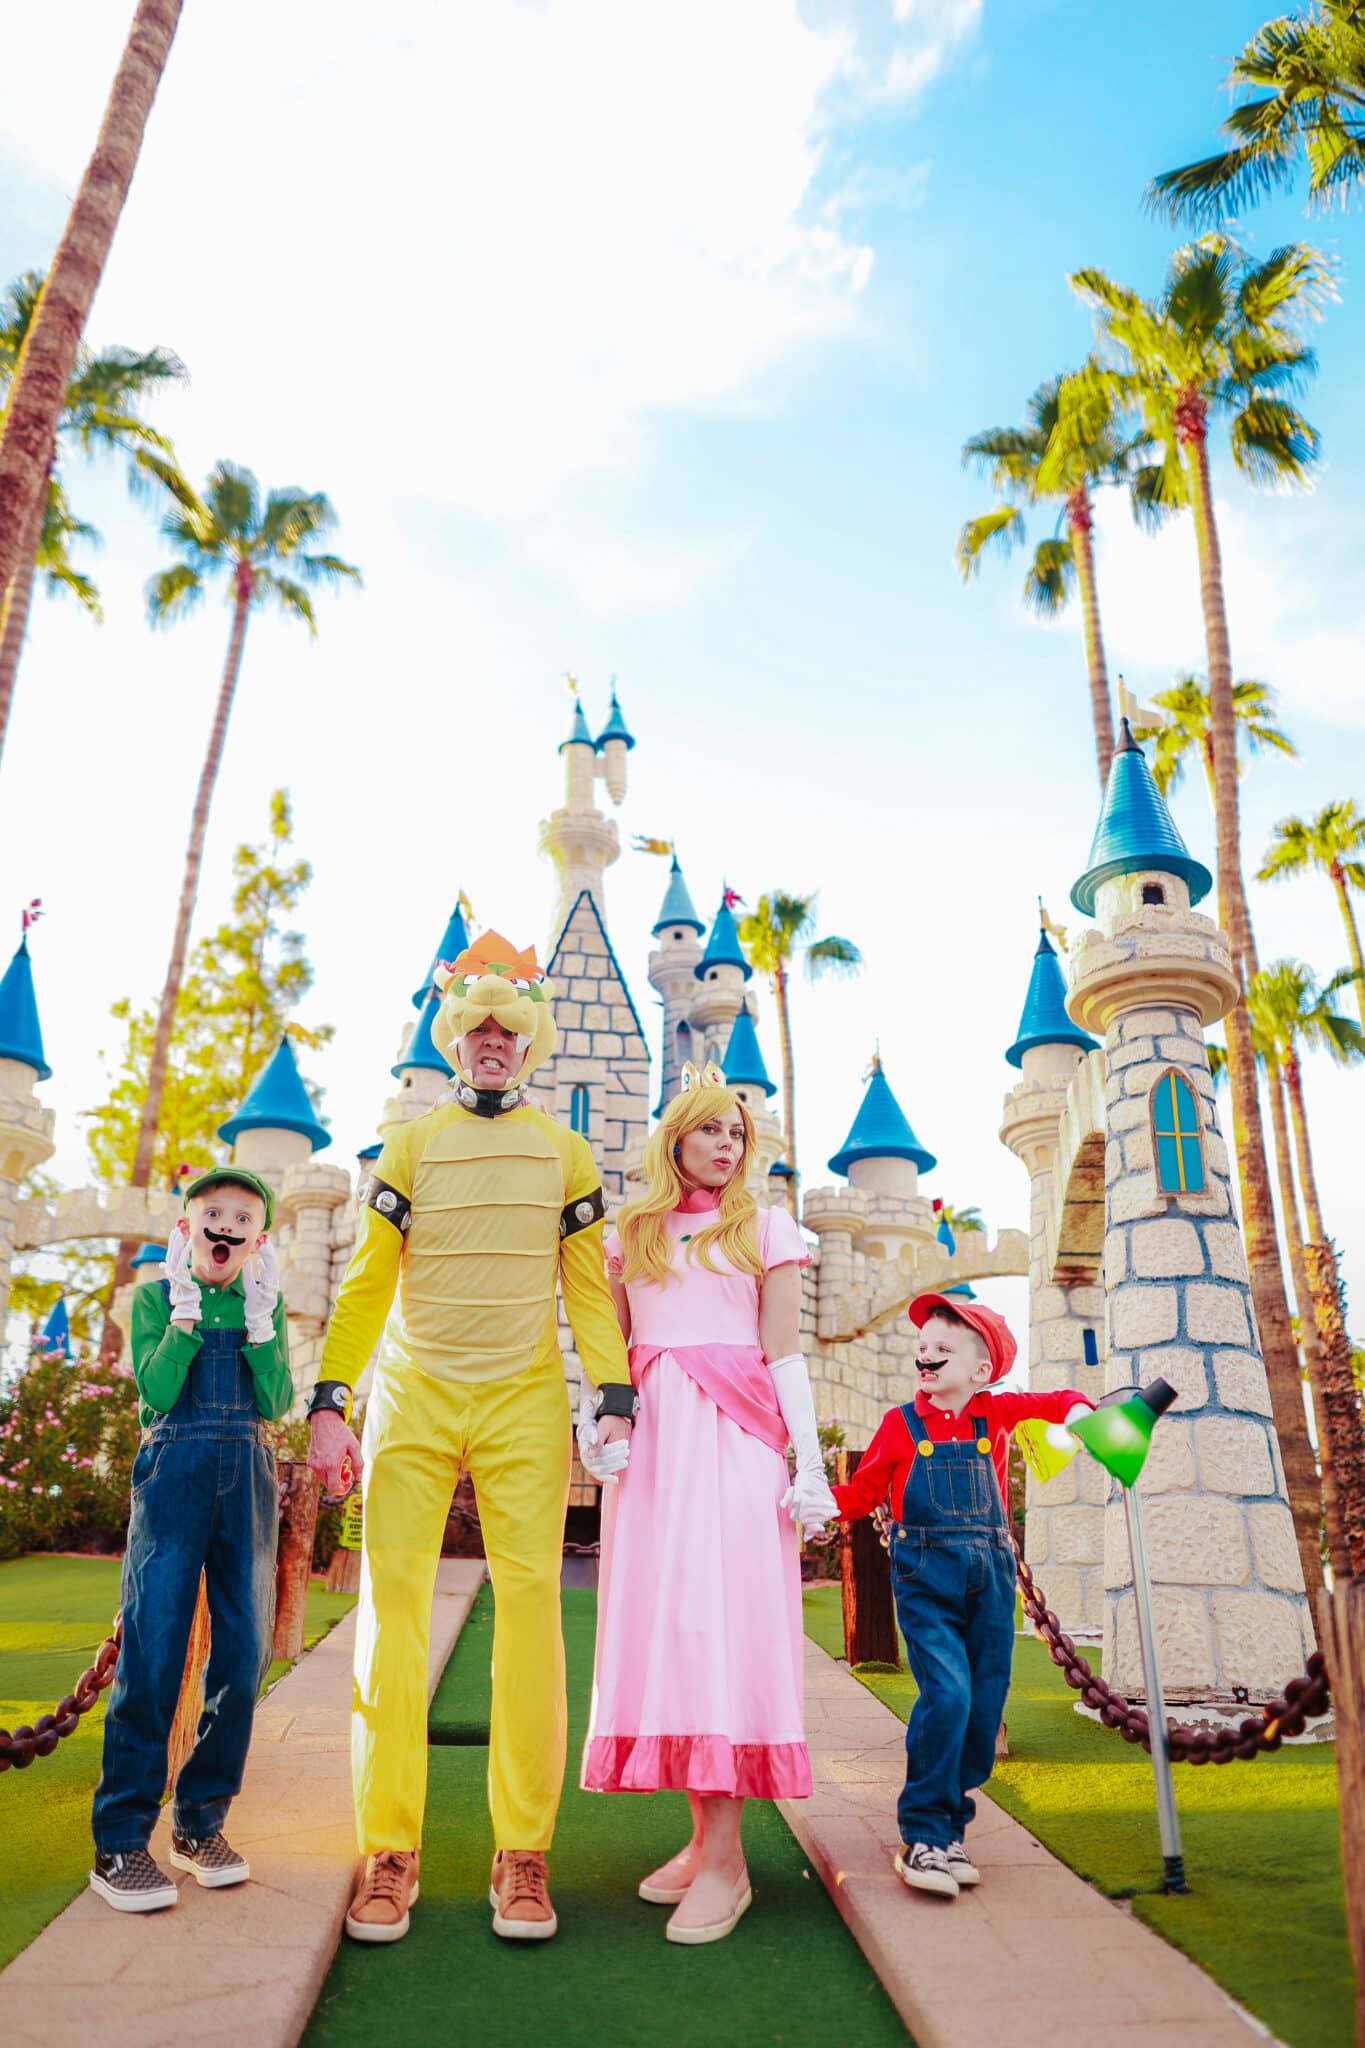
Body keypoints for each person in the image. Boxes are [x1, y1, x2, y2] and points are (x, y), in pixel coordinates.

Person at [306, 930, 634, 1946]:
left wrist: (614, 1385)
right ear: (455, 1037)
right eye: (478, 1025)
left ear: (529, 1040)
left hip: (523, 1399)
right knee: (390, 1614)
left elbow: (586, 1283)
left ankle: (522, 1851)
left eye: (508, 1026)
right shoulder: (409, 1141)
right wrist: (330, 1395)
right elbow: (366, 1280)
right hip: (411, 1391)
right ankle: (389, 1847)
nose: (492, 1040)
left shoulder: (564, 1149)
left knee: (532, 1614)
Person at [581, 1062, 837, 1946]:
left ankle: (729, 1861)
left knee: (720, 1628)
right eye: (710, 1130)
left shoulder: (765, 1228)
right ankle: (702, 1840)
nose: (726, 1146)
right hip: (653, 1452)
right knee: (673, 1631)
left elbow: (784, 1352)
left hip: (735, 1446)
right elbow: (609, 1345)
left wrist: (808, 1466)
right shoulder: (634, 1232)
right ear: (674, 1137)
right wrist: (595, 1424)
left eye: (737, 1133)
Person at [832, 1293, 1092, 1900]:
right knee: (947, 1696)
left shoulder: (996, 1414)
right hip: (925, 1577)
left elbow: (1057, 1402)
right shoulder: (900, 1424)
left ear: (981, 1372)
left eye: (942, 1350)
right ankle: (922, 1834)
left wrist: (1079, 1411)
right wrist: (820, 1506)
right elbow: (867, 1489)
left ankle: (951, 1826)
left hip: (990, 1577)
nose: (926, 1359)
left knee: (982, 1708)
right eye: (923, 1349)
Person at [90, 1168, 290, 1912]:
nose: (227, 1225)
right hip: (174, 1469)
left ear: (257, 1239)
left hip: (248, 1478)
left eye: (243, 1217)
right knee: (154, 1648)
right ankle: (118, 1842)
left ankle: (200, 1824)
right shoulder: (151, 1299)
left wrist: (262, 1328)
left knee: (244, 1654)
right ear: (188, 1227)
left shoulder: (263, 1305)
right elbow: (156, 1391)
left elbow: (275, 1399)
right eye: (214, 1212)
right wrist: (182, 1322)